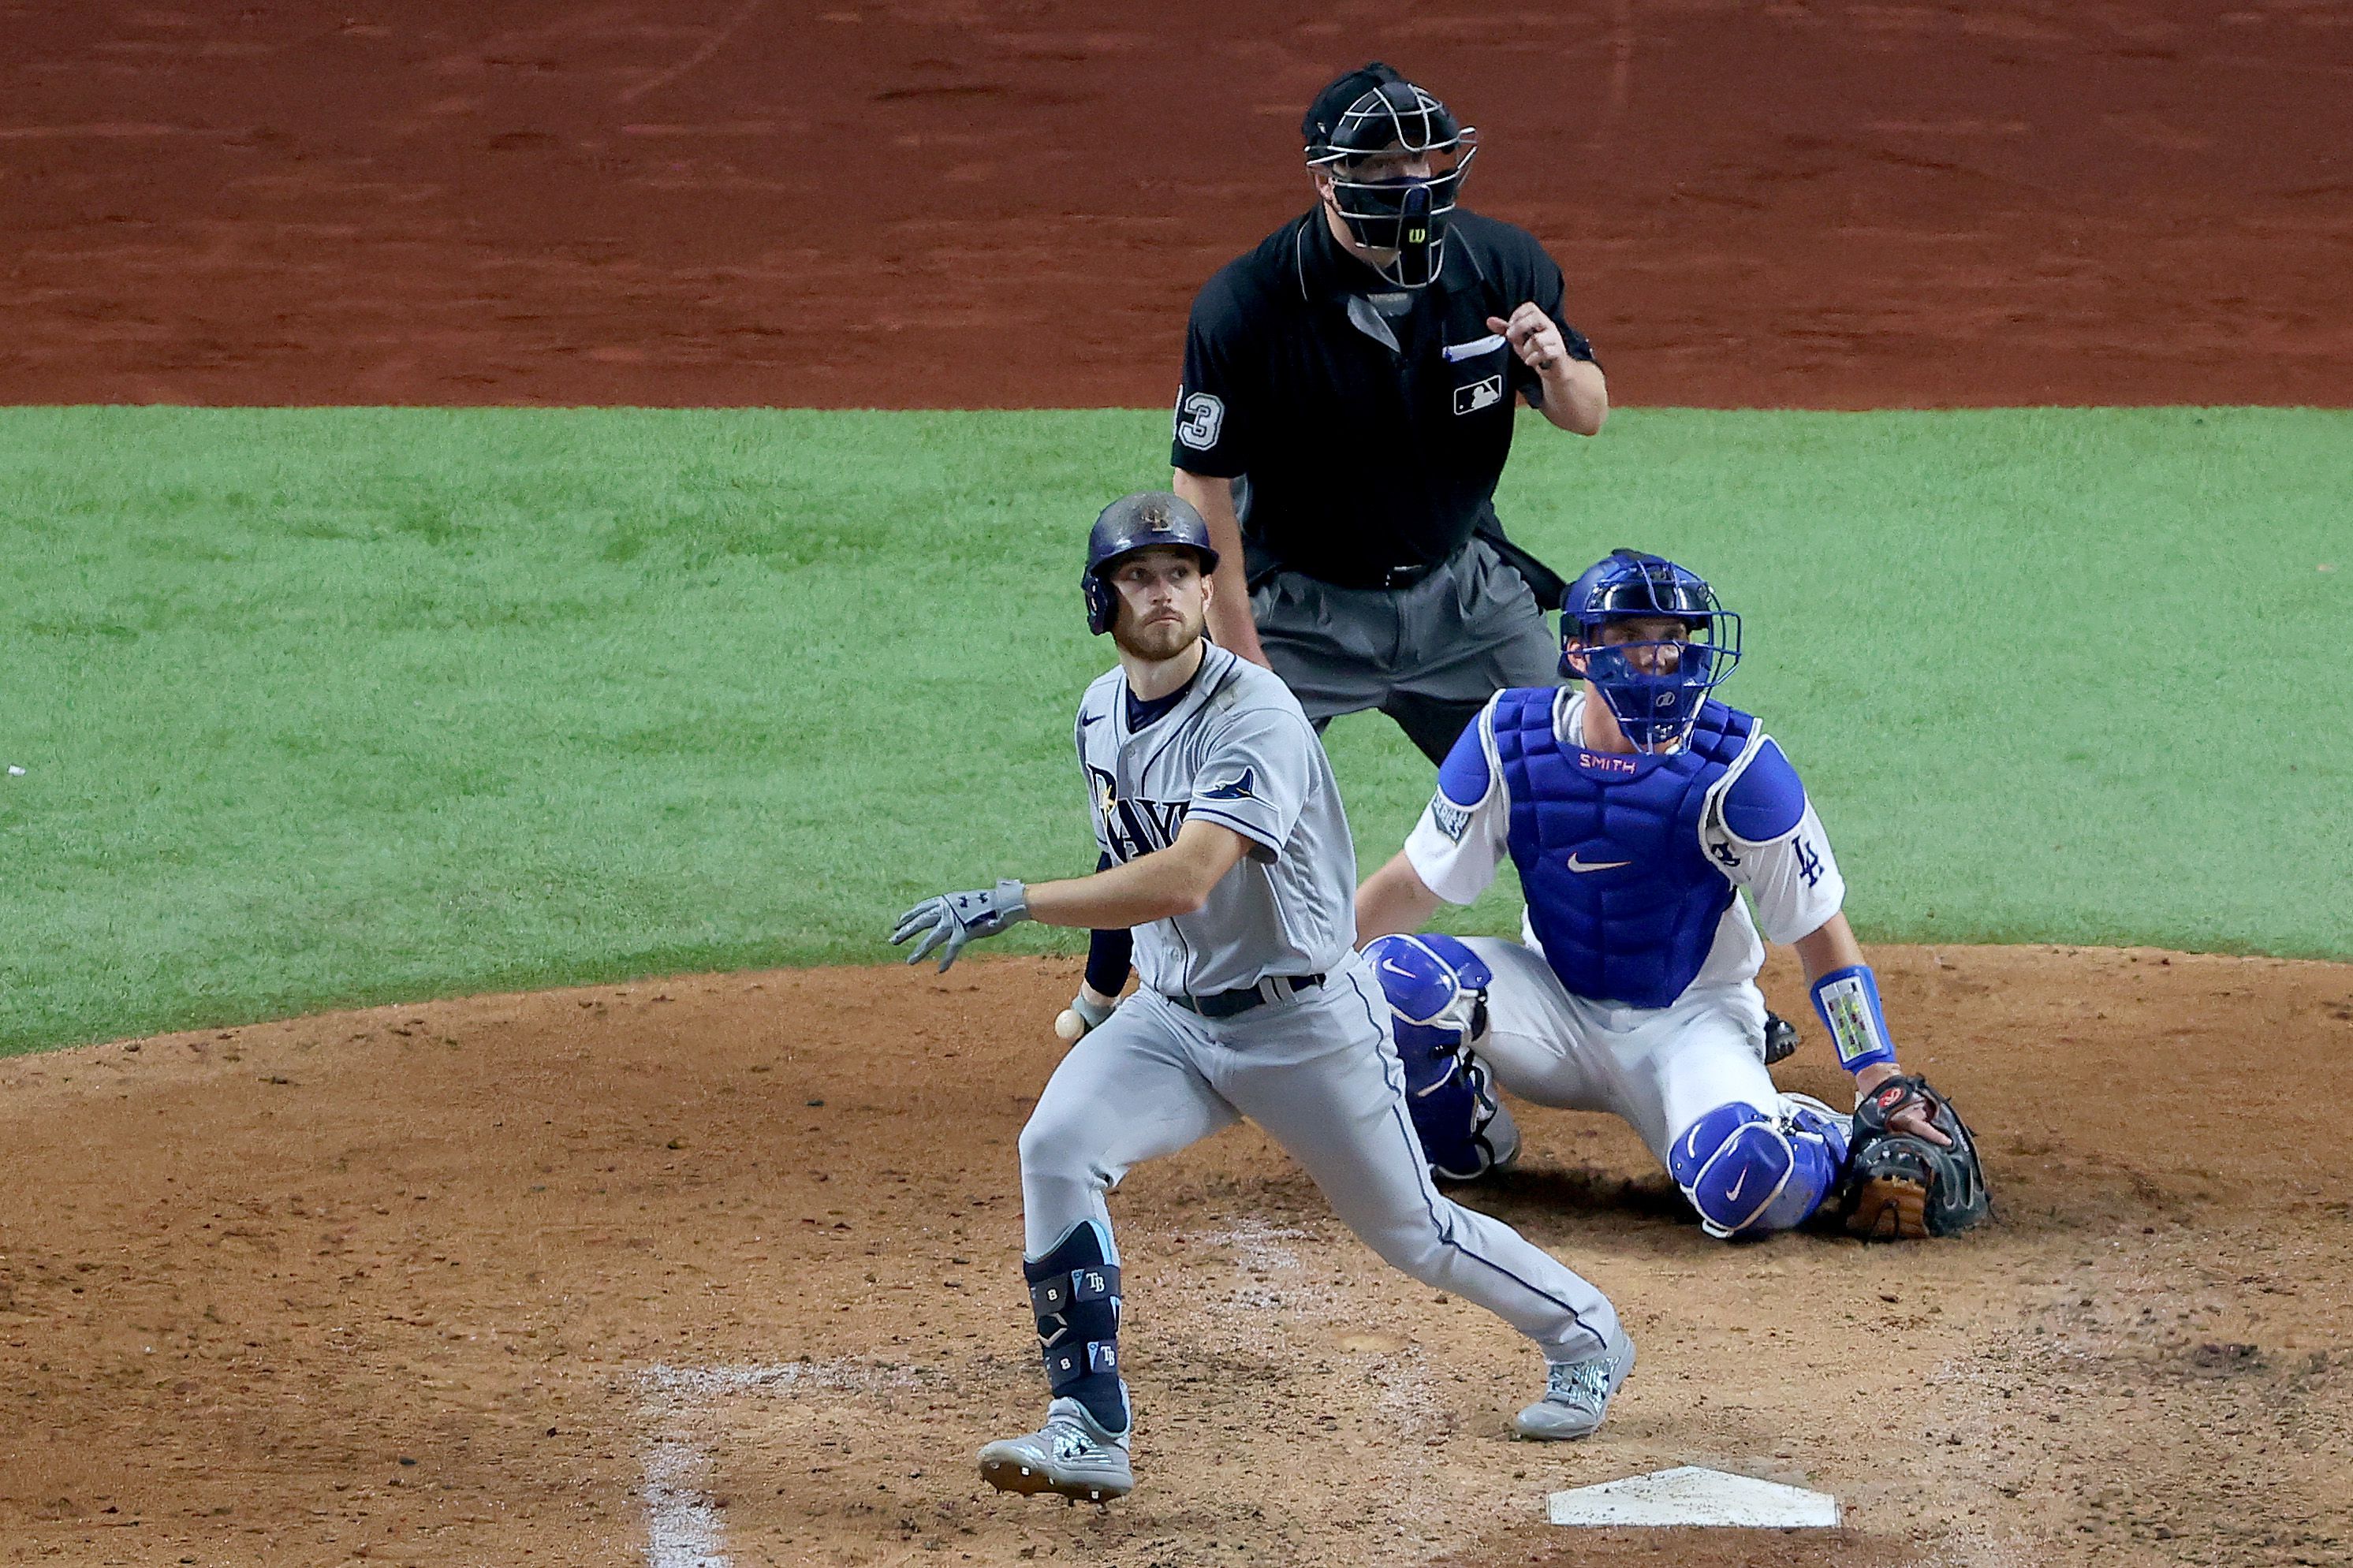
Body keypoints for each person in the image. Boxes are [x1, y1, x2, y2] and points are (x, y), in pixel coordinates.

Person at [891, 493, 1637, 1506]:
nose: (1162, 593)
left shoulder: (1257, 715)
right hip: (1174, 1019)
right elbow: (1129, 860)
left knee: (1409, 1230)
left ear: (1208, 590)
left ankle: (1584, 1333)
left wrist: (1016, 903)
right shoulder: (1097, 712)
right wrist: (1100, 994)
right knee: (1054, 1148)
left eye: (1180, 574)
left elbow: (1188, 876)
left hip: (1304, 1023)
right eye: (1137, 576)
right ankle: (1088, 1424)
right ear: (1099, 600)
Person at [1064, 65, 1803, 1060]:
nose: (1411, 180)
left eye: (1426, 156)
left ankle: (1721, 1007)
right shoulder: (1244, 306)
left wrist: (1556, 364)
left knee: (1617, 765)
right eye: (1381, 162)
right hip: (1301, 606)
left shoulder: (1498, 265)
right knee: (1188, 784)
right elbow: (1201, 492)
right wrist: (1241, 659)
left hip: (1463, 597)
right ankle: (1116, 997)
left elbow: (1587, 413)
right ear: (1328, 181)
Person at [1351, 550, 1991, 1242]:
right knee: (1392, 982)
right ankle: (1474, 1146)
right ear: (1578, 650)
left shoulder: (1738, 768)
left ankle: (1821, 1133)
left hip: (1690, 1025)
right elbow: (1413, 882)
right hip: (1556, 1009)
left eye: (1674, 639)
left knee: (1745, 1184)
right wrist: (1303, 973)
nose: (1657, 658)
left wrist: (1877, 1076)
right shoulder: (1511, 741)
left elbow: (1820, 935)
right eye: (1631, 638)